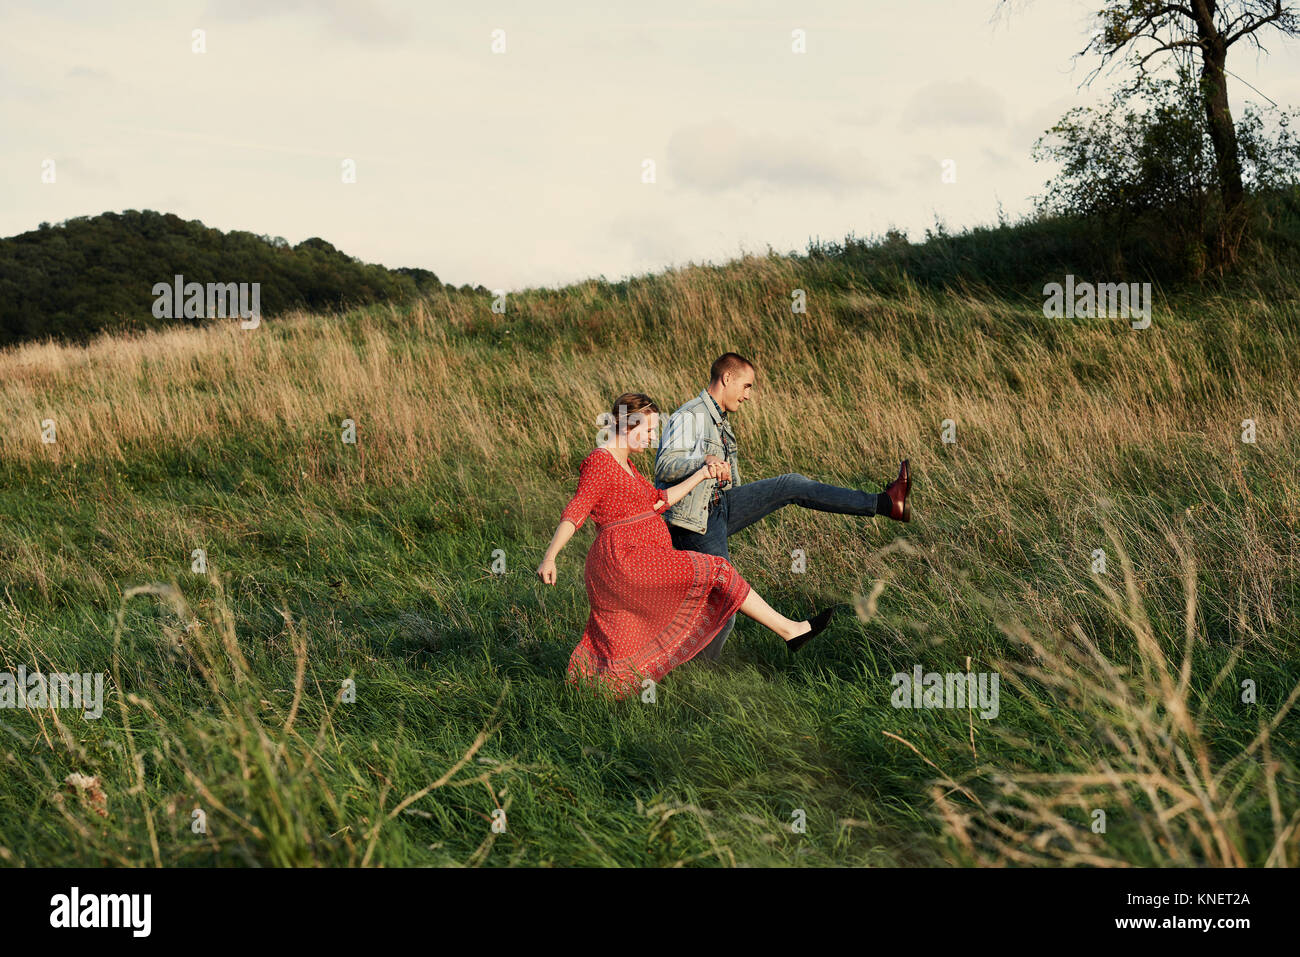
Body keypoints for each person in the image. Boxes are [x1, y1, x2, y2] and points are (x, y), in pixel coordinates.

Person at [537, 392, 835, 698]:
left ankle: (596, 693)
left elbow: (658, 502)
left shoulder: (627, 465)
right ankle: (792, 631)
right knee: (718, 570)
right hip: (624, 560)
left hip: (634, 558)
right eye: (649, 430)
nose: (653, 438)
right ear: (628, 424)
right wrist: (550, 557)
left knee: (625, 638)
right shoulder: (601, 462)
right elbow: (577, 509)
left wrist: (703, 473)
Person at [653, 353, 911, 662]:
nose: (748, 395)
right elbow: (665, 466)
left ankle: (886, 503)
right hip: (694, 523)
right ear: (727, 379)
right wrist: (704, 461)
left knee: (791, 484)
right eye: (746, 386)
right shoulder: (690, 416)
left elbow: (726, 481)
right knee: (724, 604)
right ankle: (700, 674)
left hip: (719, 507)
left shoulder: (718, 420)